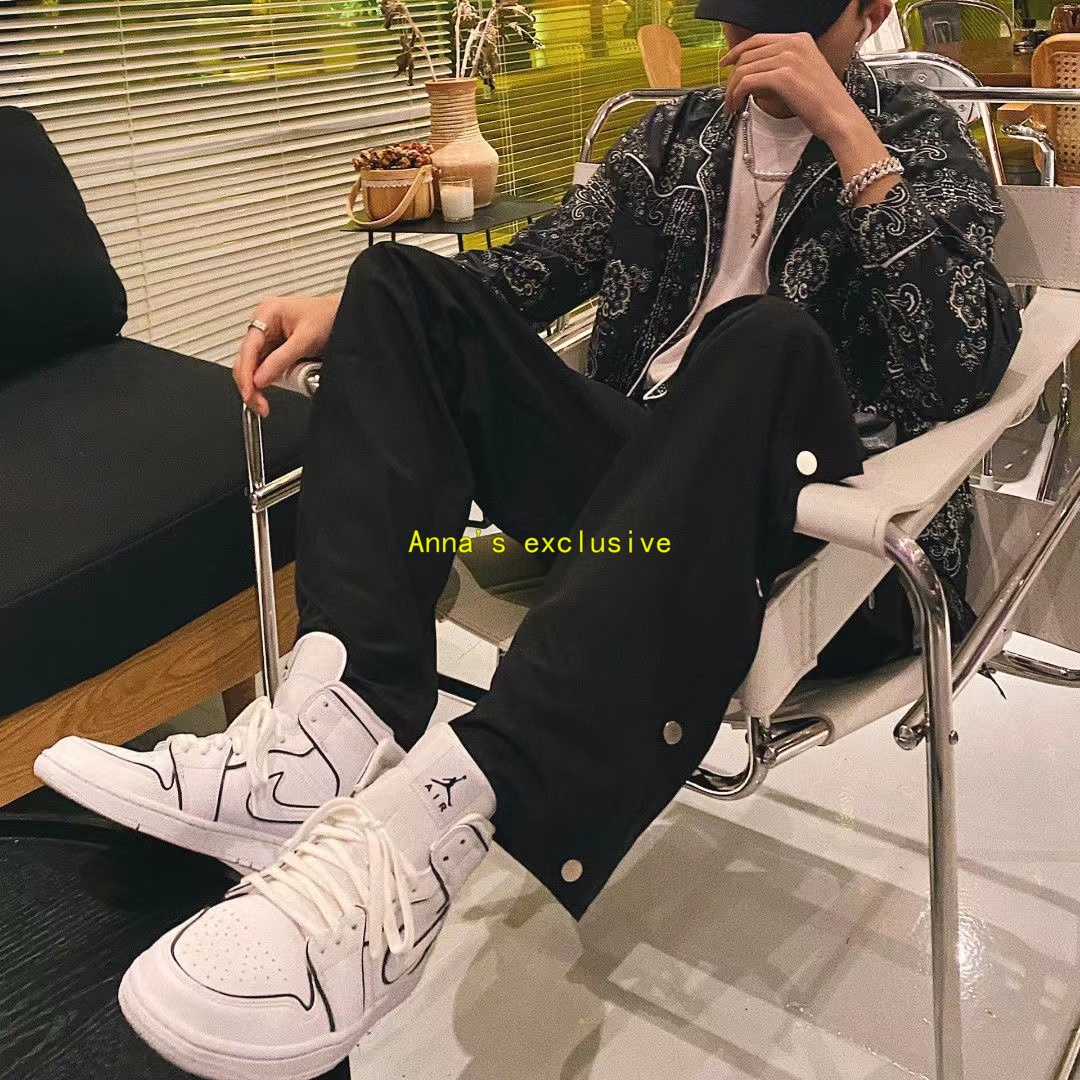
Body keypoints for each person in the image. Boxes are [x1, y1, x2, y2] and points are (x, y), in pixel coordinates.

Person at [35, 2, 1021, 1077]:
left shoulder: (916, 136)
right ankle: (329, 727)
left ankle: (438, 816)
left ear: (871, 11)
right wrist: (350, 317)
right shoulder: (674, 138)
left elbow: (962, 363)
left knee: (764, 339)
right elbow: (523, 276)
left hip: (816, 529)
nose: (757, 35)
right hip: (636, 500)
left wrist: (847, 131)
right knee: (394, 284)